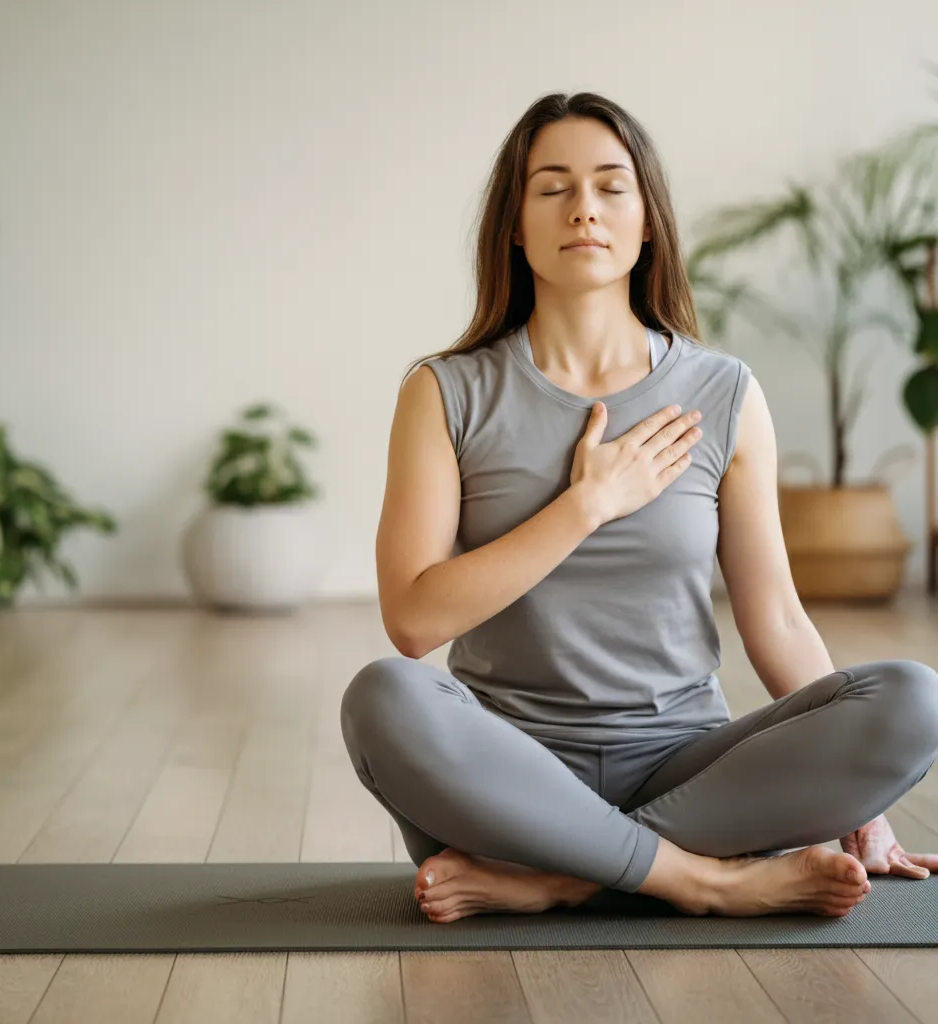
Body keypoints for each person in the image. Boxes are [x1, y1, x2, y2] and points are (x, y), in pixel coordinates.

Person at [340, 91, 938, 923]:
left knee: (913, 698)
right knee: (384, 697)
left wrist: (862, 809)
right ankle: (699, 879)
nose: (584, 208)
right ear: (514, 224)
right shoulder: (445, 391)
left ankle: (565, 878)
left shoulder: (723, 392)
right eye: (552, 188)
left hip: (688, 769)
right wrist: (586, 505)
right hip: (511, 774)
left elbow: (777, 622)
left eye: (611, 186)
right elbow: (412, 621)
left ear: (648, 218)